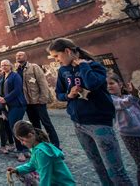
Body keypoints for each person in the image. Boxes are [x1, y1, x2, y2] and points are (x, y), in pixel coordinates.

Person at [48, 38, 132, 185]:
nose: (56, 60)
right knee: (98, 166)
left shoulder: (95, 66)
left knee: (115, 170)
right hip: (78, 124)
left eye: (56, 56)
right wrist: (69, 95)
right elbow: (59, 94)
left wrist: (83, 67)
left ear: (67, 51)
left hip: (99, 123)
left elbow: (92, 84)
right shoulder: (63, 71)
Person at [7, 121, 75, 186]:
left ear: (30, 135)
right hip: (56, 182)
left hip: (62, 184)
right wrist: (17, 169)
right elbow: (33, 164)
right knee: (23, 173)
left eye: (22, 140)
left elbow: (45, 176)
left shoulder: (41, 153)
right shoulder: (35, 147)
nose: (22, 143)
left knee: (28, 175)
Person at [107, 72, 140, 185]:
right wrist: (133, 95)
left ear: (120, 85)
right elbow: (123, 104)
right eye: (106, 85)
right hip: (130, 135)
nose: (108, 86)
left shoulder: (129, 97)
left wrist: (136, 95)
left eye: (111, 83)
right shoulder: (111, 100)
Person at [16, 51, 60, 148]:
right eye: (17, 56)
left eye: (20, 55)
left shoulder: (34, 67)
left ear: (26, 57)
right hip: (28, 103)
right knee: (35, 126)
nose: (18, 57)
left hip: (38, 101)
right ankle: (41, 145)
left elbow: (42, 83)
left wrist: (43, 98)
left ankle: (55, 145)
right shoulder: (17, 70)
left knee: (47, 123)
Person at [0, 59, 28, 162]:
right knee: (16, 126)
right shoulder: (2, 77)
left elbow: (17, 89)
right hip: (8, 106)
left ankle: (21, 151)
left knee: (14, 126)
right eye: (2, 65)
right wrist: (0, 98)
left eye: (6, 65)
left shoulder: (15, 76)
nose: (4, 67)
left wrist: (6, 99)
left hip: (18, 104)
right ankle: (25, 148)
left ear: (10, 66)